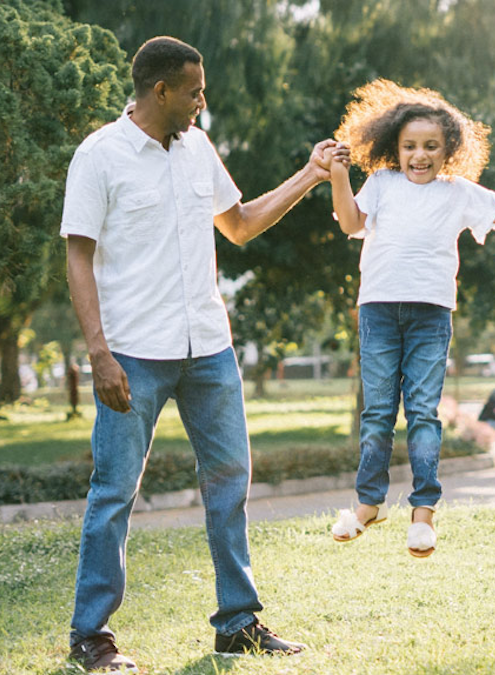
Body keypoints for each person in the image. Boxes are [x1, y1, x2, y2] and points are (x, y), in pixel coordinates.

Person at [60, 36, 349, 673]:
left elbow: (239, 223)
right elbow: (78, 255)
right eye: (193, 89)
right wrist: (98, 353)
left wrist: (310, 174)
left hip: (208, 348)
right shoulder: (100, 156)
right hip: (132, 352)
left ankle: (237, 623)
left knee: (230, 483)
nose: (202, 99)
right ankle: (91, 636)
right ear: (160, 90)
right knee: (114, 490)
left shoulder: (197, 148)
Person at [325, 79, 495, 558]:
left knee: (423, 411)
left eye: (430, 147)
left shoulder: (458, 192)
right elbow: (350, 223)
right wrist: (339, 176)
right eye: (409, 147)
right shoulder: (382, 183)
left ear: (450, 150)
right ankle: (369, 504)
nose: (419, 156)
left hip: (430, 314)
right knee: (378, 412)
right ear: (394, 148)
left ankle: (424, 513)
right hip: (379, 309)